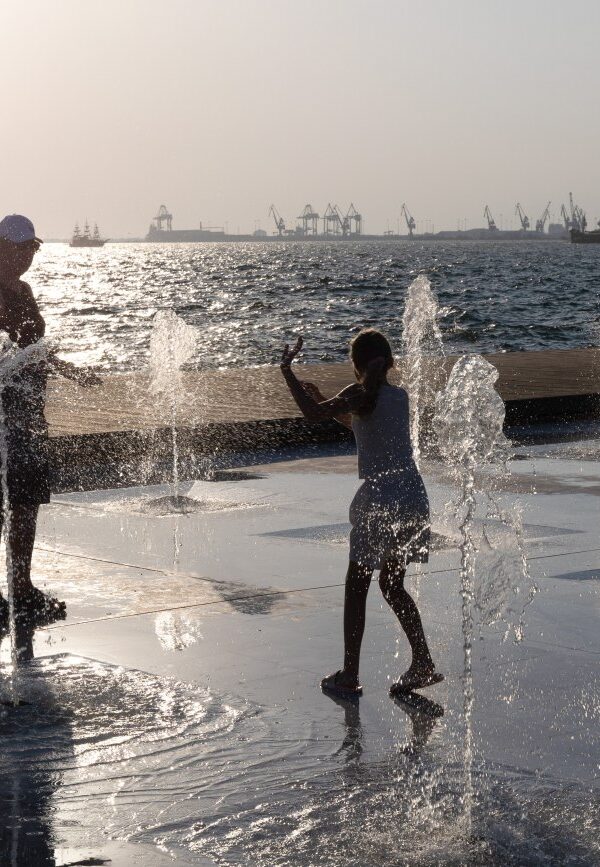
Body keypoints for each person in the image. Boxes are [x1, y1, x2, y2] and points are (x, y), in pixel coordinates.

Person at [280, 328, 443, 698]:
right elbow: (365, 425)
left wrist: (287, 371)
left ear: (356, 365)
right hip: (412, 497)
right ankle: (423, 663)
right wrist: (326, 400)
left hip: (381, 500)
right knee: (391, 584)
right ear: (389, 362)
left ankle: (350, 674)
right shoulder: (399, 397)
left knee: (357, 586)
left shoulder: (356, 395)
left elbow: (311, 417)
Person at [0, 214, 100, 628]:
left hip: (27, 413)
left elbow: (34, 350)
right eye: (17, 248)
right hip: (2, 414)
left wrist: (70, 371)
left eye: (31, 249)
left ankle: (21, 587)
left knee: (25, 501)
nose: (25, 257)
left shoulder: (23, 291)